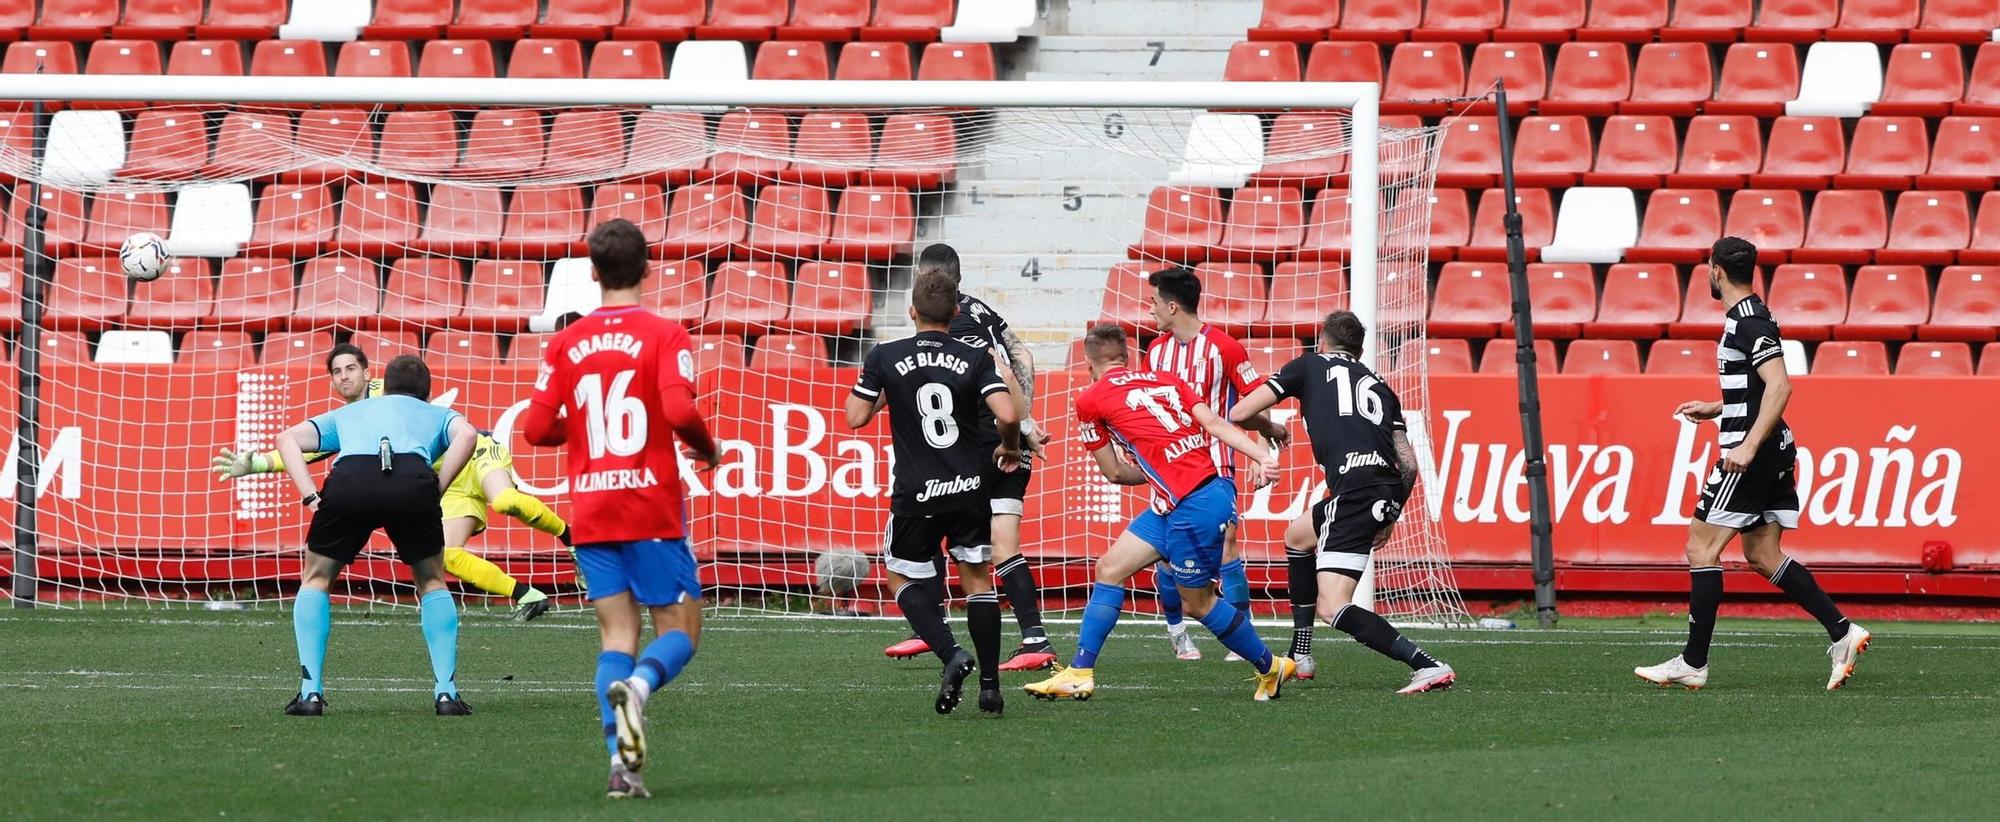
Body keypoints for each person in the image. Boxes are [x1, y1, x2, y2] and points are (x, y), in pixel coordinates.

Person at [521, 219, 723, 799]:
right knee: (681, 630)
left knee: (615, 634)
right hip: (650, 505)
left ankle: (622, 767)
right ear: (649, 268)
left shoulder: (565, 341)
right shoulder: (664, 334)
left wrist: (579, 430)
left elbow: (535, 428)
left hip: (591, 509)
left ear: (592, 272)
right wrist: (707, 449)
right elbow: (680, 412)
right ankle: (638, 689)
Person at [1635, 236, 1871, 691]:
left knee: (1701, 548)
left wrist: (1745, 447)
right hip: (1772, 450)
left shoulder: (1748, 321)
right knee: (1763, 555)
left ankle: (1693, 662)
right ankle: (1842, 633)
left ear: (1716, 269)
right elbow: (1758, 389)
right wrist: (1716, 406)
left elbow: (1780, 387)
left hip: (1754, 456)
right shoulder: (1750, 318)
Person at [1024, 325, 1296, 702]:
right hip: (1183, 498)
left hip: (1194, 505)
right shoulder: (1167, 379)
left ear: (1089, 365)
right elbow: (1216, 424)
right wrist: (1262, 456)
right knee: (1110, 569)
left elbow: (1115, 473)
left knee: (1197, 603)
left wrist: (1157, 469)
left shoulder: (1090, 399)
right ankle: (1079, 672)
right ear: (1128, 357)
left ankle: (1271, 666)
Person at [212, 343, 569, 622]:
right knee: (450, 556)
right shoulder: (353, 416)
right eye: (336, 373)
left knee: (506, 500)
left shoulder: (387, 394)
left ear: (369, 373)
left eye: (351, 369)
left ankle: (572, 539)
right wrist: (259, 463)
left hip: (472, 454)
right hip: (441, 481)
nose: (344, 378)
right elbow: (312, 449)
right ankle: (527, 594)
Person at [1231, 311, 1456, 694]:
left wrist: (1271, 429)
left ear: (1321, 340)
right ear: (1361, 349)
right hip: (1381, 491)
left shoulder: (1309, 365)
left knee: (1333, 606)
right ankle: (1300, 654)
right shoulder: (1380, 385)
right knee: (1298, 536)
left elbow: (1240, 412)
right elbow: (1409, 464)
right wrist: (1391, 513)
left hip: (1354, 492)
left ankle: (1427, 665)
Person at [845, 269, 1024, 716]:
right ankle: (990, 688)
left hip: (916, 492)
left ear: (911, 312)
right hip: (967, 487)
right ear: (957, 312)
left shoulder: (885, 355)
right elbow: (1008, 412)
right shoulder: (975, 355)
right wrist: (1010, 445)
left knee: (902, 578)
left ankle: (950, 653)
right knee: (978, 580)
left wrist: (886, 389)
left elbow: (854, 417)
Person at [879, 243, 1059, 672]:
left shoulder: (941, 332)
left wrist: (1018, 430)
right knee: (985, 538)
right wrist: (1028, 423)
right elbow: (1021, 357)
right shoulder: (980, 312)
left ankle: (943, 628)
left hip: (983, 447)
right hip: (1006, 438)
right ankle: (1031, 636)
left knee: (952, 525)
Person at [274, 355, 479, 717]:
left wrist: (310, 495)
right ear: (426, 393)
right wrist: (438, 486)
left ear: (383, 383)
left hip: (352, 478)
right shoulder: (435, 413)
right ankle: (446, 694)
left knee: (317, 578)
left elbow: (285, 438)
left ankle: (310, 694)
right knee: (432, 581)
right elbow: (469, 435)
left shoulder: (354, 411)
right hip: (412, 480)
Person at [1141, 267, 1295, 668]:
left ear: (1173, 305)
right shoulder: (1155, 351)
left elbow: (1253, 400)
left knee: (1228, 543)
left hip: (1215, 462)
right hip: (1167, 465)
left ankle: (1239, 631)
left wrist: (1265, 444)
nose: (1150, 309)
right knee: (1165, 552)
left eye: (1154, 301)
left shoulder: (1224, 347)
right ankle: (1177, 631)